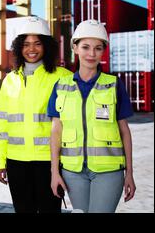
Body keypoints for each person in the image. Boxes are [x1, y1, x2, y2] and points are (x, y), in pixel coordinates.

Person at [48, 19, 136, 213]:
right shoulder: (61, 86)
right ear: (75, 48)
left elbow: (124, 131)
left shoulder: (114, 85)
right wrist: (55, 172)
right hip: (72, 172)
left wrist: (129, 173)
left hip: (109, 172)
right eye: (85, 47)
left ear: (103, 51)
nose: (91, 53)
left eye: (98, 48)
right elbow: (56, 132)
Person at [0, 16, 72, 213]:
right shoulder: (9, 80)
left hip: (49, 161)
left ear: (46, 46)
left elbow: (71, 124)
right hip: (16, 161)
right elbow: (2, 125)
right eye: (26, 44)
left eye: (37, 43)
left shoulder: (63, 77)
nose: (32, 49)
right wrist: (0, 161)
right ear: (19, 48)